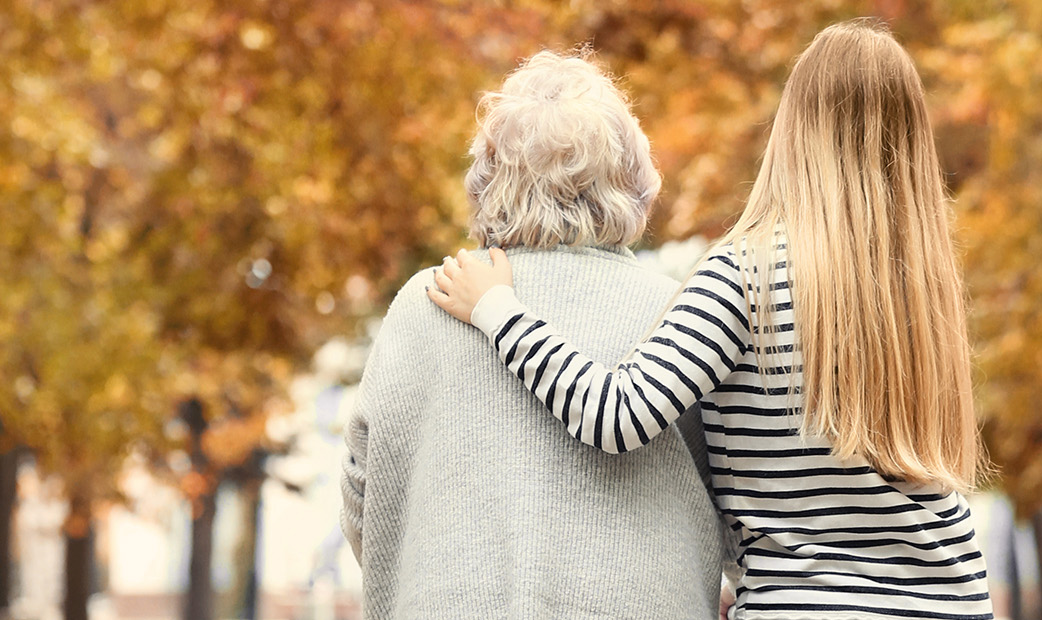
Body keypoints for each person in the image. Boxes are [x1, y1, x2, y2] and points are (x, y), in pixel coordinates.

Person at [428, 20, 993, 620]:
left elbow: (616, 415)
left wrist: (497, 310)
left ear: (794, 128)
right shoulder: (921, 290)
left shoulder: (744, 274)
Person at [340, 49, 724, 619]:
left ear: (486, 176)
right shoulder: (675, 311)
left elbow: (362, 488)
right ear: (633, 177)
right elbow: (730, 480)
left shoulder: (430, 301)